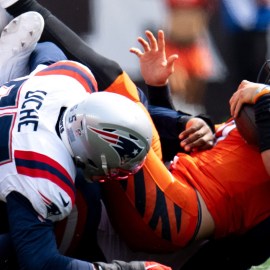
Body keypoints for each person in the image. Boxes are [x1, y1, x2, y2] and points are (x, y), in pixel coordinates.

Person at [2, 1, 270, 269]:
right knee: (133, 106)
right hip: (166, 190)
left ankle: (20, 5)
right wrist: (161, 94)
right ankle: (17, 70)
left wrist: (265, 98)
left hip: (175, 215)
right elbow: (183, 154)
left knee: (121, 90)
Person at [0, 10, 181, 270]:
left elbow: (48, 48)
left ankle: (10, 72)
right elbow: (39, 262)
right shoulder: (45, 174)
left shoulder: (72, 80)